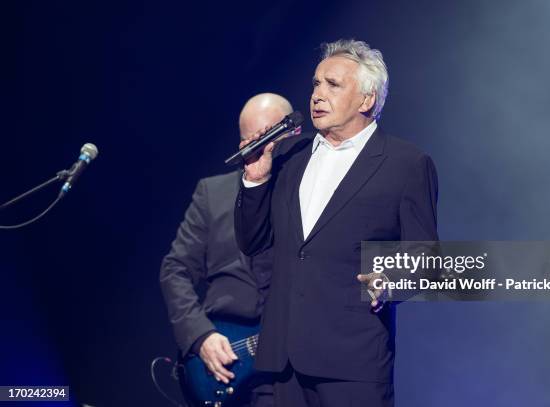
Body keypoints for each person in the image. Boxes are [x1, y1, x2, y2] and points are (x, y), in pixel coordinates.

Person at [235, 40, 439, 407]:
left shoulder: (406, 164)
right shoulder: (288, 156)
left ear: (366, 100)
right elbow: (253, 242)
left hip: (351, 362)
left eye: (333, 85)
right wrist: (255, 179)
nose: (317, 94)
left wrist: (390, 282)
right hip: (282, 364)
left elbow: (425, 257)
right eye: (315, 84)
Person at [160, 93, 295, 407]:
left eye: (273, 135)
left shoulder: (310, 192)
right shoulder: (213, 192)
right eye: (253, 139)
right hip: (233, 355)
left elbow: (430, 269)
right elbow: (174, 270)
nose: (264, 145)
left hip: (298, 362)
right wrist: (199, 336)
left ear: (293, 133)